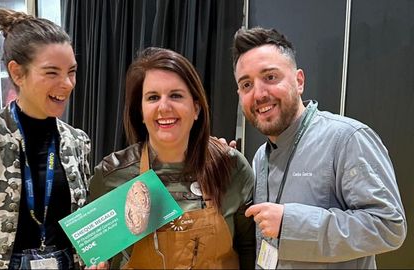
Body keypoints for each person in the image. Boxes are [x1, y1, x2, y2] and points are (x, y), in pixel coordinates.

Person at [232, 26, 406, 268]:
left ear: (299, 81)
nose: (259, 93)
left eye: (270, 77)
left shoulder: (347, 139)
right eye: (247, 85)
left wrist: (290, 223)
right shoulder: (261, 157)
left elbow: (388, 226)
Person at [0, 9, 91, 269]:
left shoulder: (77, 141)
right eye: (52, 72)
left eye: (72, 71)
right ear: (18, 73)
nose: (67, 83)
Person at [89, 47, 256, 269]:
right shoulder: (111, 174)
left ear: (196, 108)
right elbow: (96, 252)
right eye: (153, 97)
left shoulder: (231, 167)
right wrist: (97, 261)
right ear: (140, 110)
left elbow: (248, 249)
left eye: (176, 95)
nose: (164, 107)